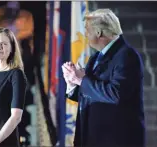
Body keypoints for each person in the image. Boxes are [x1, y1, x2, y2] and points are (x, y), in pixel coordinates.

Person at [62, 9, 145, 147]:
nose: (85, 35)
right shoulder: (95, 57)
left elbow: (116, 94)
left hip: (115, 140)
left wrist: (81, 80)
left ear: (98, 32)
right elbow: (91, 94)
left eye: (87, 30)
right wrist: (71, 83)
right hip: (91, 138)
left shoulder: (127, 56)